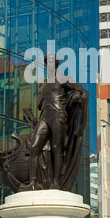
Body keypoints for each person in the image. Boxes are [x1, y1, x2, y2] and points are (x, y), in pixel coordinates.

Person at [25, 54, 85, 190]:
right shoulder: (44, 83)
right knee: (34, 147)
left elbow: (79, 89)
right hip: (45, 116)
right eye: (46, 62)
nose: (49, 64)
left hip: (58, 115)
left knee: (57, 149)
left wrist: (76, 94)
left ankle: (56, 182)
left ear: (56, 64)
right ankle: (33, 183)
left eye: (51, 62)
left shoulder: (63, 78)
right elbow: (40, 105)